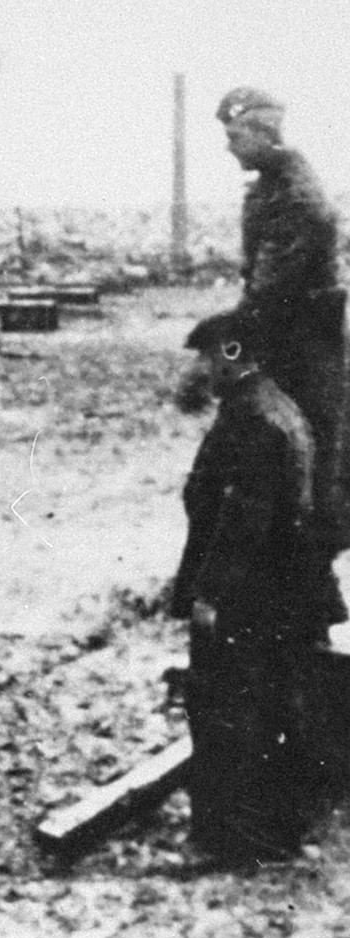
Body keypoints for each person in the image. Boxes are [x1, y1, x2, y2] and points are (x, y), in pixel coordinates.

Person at [172, 312, 337, 864]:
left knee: (226, 710)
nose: (200, 370)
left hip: (248, 597)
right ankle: (276, 833)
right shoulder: (275, 409)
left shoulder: (253, 421)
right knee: (275, 706)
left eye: (206, 356)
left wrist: (210, 596)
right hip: (277, 594)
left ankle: (226, 840)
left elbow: (245, 521)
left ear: (232, 354)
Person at [217, 87, 350, 605]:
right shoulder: (273, 186)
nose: (228, 146)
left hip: (306, 355)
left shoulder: (295, 197)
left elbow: (269, 292)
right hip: (287, 347)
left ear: (262, 132)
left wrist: (225, 349)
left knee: (307, 475)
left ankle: (310, 608)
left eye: (234, 135)